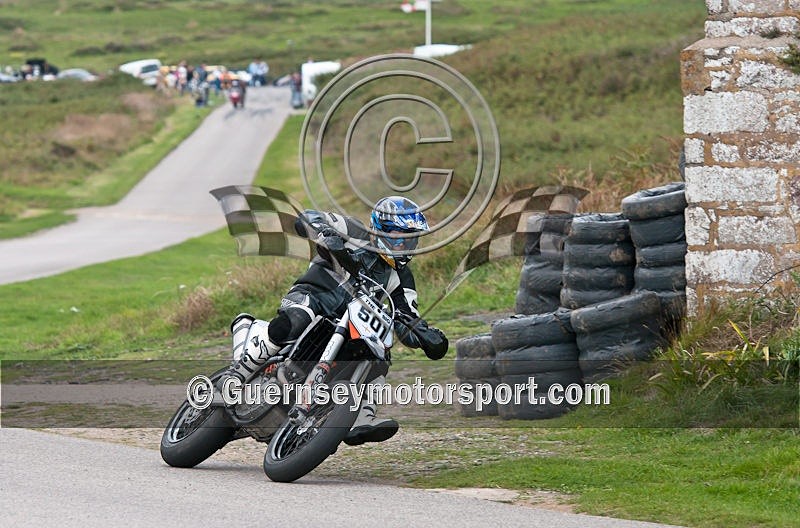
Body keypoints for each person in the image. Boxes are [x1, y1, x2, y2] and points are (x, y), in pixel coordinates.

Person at [221, 196, 449, 445]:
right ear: (381, 228)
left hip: (351, 322)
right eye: (399, 237)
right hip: (315, 295)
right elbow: (308, 216)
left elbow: (408, 317)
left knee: (380, 354)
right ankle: (235, 376)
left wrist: (426, 337)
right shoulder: (355, 231)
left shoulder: (402, 278)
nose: (405, 245)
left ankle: (363, 418)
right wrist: (326, 233)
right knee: (296, 319)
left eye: (411, 239)